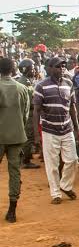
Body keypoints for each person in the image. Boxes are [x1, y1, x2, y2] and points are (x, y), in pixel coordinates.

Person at [33, 57, 79, 204]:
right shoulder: (41, 86)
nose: (61, 69)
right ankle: (55, 194)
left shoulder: (69, 84)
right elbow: (36, 111)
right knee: (52, 164)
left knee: (73, 160)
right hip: (49, 129)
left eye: (63, 66)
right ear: (49, 68)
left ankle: (65, 186)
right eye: (57, 66)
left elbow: (72, 108)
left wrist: (77, 130)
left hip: (67, 128)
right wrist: (36, 134)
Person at [0, 57, 30, 222]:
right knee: (14, 172)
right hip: (17, 136)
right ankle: (12, 210)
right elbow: (25, 115)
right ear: (13, 70)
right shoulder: (23, 88)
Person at [16, 59, 39, 169]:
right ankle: (25, 161)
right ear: (25, 70)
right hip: (28, 113)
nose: (34, 70)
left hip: (26, 113)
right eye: (32, 68)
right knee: (28, 137)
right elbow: (30, 100)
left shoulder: (25, 80)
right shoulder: (25, 82)